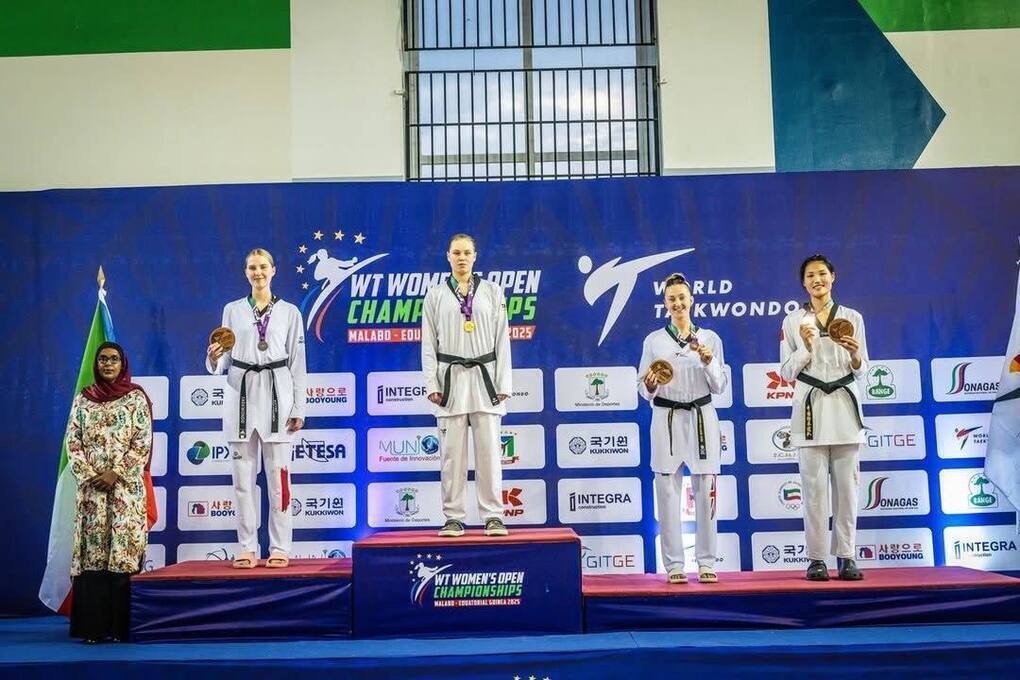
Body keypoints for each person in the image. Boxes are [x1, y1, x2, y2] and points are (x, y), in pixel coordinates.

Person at [207, 248, 306, 568]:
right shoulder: (232, 310)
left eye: (263, 266)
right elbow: (224, 357)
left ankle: (280, 547)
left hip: (278, 394)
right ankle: (247, 547)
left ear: (274, 270)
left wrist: (299, 407)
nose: (258, 272)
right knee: (242, 481)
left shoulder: (290, 312)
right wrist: (213, 358)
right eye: (252, 267)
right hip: (241, 394)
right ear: (245, 272)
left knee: (279, 481)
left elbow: (298, 362)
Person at [780, 254, 868, 581]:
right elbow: (786, 372)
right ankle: (816, 558)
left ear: (833, 277)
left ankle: (847, 556)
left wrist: (855, 354)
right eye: (810, 276)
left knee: (847, 490)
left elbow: (863, 369)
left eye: (822, 274)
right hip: (810, 411)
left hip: (844, 409)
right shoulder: (792, 322)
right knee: (814, 492)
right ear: (803, 283)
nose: (817, 280)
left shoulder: (852, 317)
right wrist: (805, 348)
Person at [638, 273, 728, 584]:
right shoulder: (654, 340)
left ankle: (706, 562)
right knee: (666, 493)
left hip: (701, 416)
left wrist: (708, 361)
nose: (677, 303)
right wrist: (650, 385)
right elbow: (643, 387)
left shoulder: (710, 338)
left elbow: (720, 386)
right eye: (671, 299)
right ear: (665, 304)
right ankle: (674, 565)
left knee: (705, 492)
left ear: (691, 300)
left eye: (681, 298)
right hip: (666, 417)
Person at [422, 233, 512, 537]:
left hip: (486, 380)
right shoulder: (435, 295)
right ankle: (453, 517)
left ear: (475, 256)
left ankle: (493, 515)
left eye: (467, 252)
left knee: (489, 455)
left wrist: (503, 382)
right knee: (452, 457)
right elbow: (428, 345)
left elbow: (502, 340)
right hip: (450, 380)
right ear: (447, 256)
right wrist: (431, 383)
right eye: (456, 253)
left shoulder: (493, 292)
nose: (462, 258)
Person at [66, 342, 154, 643]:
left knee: (122, 554)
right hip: (92, 493)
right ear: (96, 363)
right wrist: (91, 476)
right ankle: (93, 629)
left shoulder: (135, 398)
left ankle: (120, 629)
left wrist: (116, 472)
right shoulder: (83, 399)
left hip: (125, 492)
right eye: (102, 359)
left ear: (122, 364)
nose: (107, 364)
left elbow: (142, 441)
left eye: (114, 359)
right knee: (94, 556)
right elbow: (73, 444)